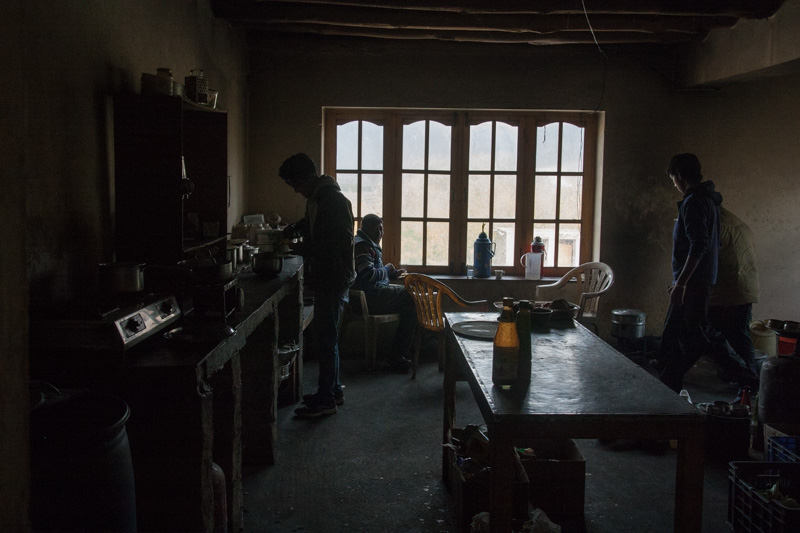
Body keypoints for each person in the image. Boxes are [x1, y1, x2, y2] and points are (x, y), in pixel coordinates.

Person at [280, 153, 355, 417]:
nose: (296, 190)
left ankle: (326, 400)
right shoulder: (318, 198)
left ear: (309, 177)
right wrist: (294, 229)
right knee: (327, 337)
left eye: (296, 184)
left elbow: (338, 243)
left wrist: (302, 248)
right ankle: (332, 390)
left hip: (333, 277)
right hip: (329, 275)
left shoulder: (333, 200)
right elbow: (314, 224)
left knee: (326, 339)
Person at [655, 153, 722, 393]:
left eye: (673, 178)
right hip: (699, 281)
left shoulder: (694, 202)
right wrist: (680, 281)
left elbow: (699, 244)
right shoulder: (708, 201)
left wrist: (682, 283)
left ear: (679, 176)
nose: (674, 184)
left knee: (679, 341)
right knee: (681, 338)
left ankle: (668, 393)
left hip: (693, 284)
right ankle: (669, 385)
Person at [352, 214, 417, 373]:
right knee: (410, 296)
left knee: (410, 300)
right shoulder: (362, 246)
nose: (381, 233)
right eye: (377, 229)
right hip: (370, 298)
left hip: (375, 293)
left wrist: (391, 274)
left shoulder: (368, 244)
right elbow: (367, 274)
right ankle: (399, 353)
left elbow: (373, 272)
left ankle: (402, 351)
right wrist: (387, 270)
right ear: (366, 228)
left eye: (382, 229)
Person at [707, 206, 760, 395]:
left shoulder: (719, 225)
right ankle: (743, 375)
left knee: (713, 334)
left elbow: (704, 257)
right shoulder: (735, 223)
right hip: (742, 289)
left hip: (730, 291)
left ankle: (749, 379)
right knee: (738, 337)